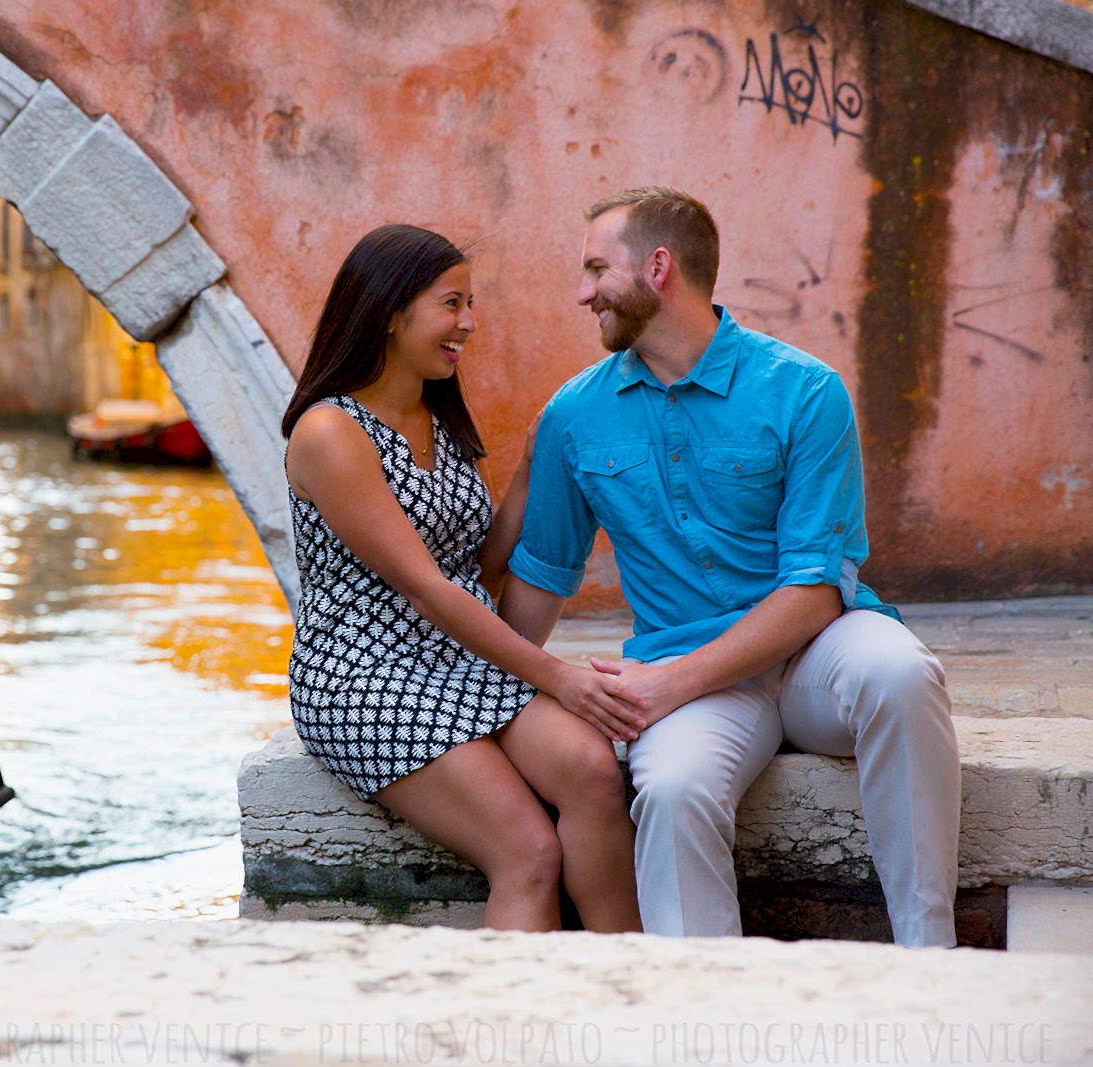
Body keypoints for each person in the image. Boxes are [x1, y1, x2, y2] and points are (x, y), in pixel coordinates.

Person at [501, 186, 960, 946]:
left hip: (813, 656)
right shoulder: (573, 415)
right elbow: (541, 580)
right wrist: (480, 702)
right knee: (673, 789)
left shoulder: (804, 391)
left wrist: (664, 685)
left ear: (658, 267)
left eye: (594, 269)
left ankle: (930, 955)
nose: (582, 294)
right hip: (695, 679)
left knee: (901, 673)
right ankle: (703, 1022)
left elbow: (814, 594)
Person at [282, 224, 643, 933]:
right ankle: (505, 1033)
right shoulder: (330, 433)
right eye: (453, 304)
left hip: (453, 661)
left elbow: (471, 565)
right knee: (527, 850)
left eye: (470, 303)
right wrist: (556, 676)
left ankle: (628, 985)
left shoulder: (434, 413)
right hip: (362, 674)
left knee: (596, 774)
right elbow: (426, 586)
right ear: (391, 312)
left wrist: (537, 458)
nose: (469, 323)